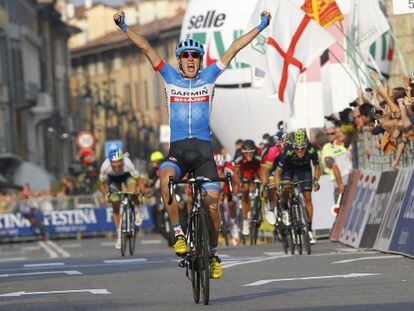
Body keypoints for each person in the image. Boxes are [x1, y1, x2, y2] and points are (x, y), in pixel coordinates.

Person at [113, 9, 271, 279]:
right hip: (178, 151)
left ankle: (212, 251)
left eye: (194, 56)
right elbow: (146, 48)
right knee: (165, 176)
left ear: (199, 60)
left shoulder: (209, 76)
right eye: (185, 56)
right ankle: (178, 233)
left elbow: (233, 48)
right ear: (179, 60)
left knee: (212, 205)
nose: (190, 59)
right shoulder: (169, 78)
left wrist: (261, 26)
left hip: (203, 153)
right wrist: (124, 26)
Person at [274, 129, 321, 244]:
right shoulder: (288, 151)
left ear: (306, 145)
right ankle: (285, 206)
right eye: (297, 149)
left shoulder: (311, 149)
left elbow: (317, 167)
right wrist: (278, 187)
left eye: (302, 148)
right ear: (293, 146)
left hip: (304, 170)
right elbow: (277, 172)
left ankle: (309, 228)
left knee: (308, 198)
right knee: (286, 187)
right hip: (289, 170)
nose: (300, 151)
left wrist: (315, 181)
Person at [98, 148, 143, 249]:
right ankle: (119, 236)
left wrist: (141, 192)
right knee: (115, 202)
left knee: (133, 190)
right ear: (110, 162)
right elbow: (101, 184)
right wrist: (106, 194)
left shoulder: (128, 163)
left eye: (119, 162)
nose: (117, 166)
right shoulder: (105, 166)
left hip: (127, 176)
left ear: (122, 160)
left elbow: (138, 179)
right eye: (114, 163)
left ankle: (137, 211)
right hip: (113, 180)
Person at [233, 139, 263, 236]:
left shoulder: (259, 153)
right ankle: (245, 221)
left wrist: (262, 181)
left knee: (264, 186)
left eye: (251, 153)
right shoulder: (238, 156)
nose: (249, 155)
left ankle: (264, 206)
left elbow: (264, 168)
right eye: (246, 153)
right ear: (243, 152)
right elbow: (235, 173)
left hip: (257, 169)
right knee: (245, 190)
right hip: (245, 170)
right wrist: (239, 184)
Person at [321, 126, 347, 200]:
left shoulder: (342, 144)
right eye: (328, 134)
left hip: (350, 180)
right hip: (337, 182)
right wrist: (340, 184)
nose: (329, 136)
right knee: (341, 209)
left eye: (332, 133)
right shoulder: (326, 147)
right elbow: (332, 164)